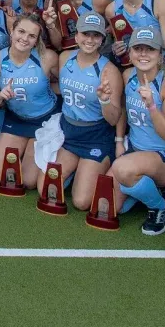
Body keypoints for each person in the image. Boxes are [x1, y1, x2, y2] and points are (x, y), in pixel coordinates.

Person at [110, 28, 165, 235]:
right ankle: (152, 190)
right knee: (110, 208)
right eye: (138, 48)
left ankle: (160, 207)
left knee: (122, 170)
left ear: (160, 54)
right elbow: (124, 110)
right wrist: (120, 141)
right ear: (130, 52)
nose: (143, 54)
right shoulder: (128, 75)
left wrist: (152, 106)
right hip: (136, 150)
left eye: (150, 49)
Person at [47, 13, 123, 211]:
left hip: (95, 136)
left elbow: (114, 118)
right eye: (85, 34)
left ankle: (94, 172)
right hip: (69, 133)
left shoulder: (109, 71)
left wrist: (104, 100)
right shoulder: (65, 58)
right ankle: (77, 172)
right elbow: (58, 86)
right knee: (46, 191)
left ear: (102, 39)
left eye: (95, 35)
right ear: (77, 35)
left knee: (81, 202)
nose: (90, 40)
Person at [0, 13, 57, 190]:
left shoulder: (47, 58)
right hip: (16, 118)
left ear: (37, 40)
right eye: (21, 32)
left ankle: (37, 147)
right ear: (12, 31)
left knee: (29, 181)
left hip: (45, 120)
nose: (24, 39)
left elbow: (63, 85)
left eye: (31, 36)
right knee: (3, 176)